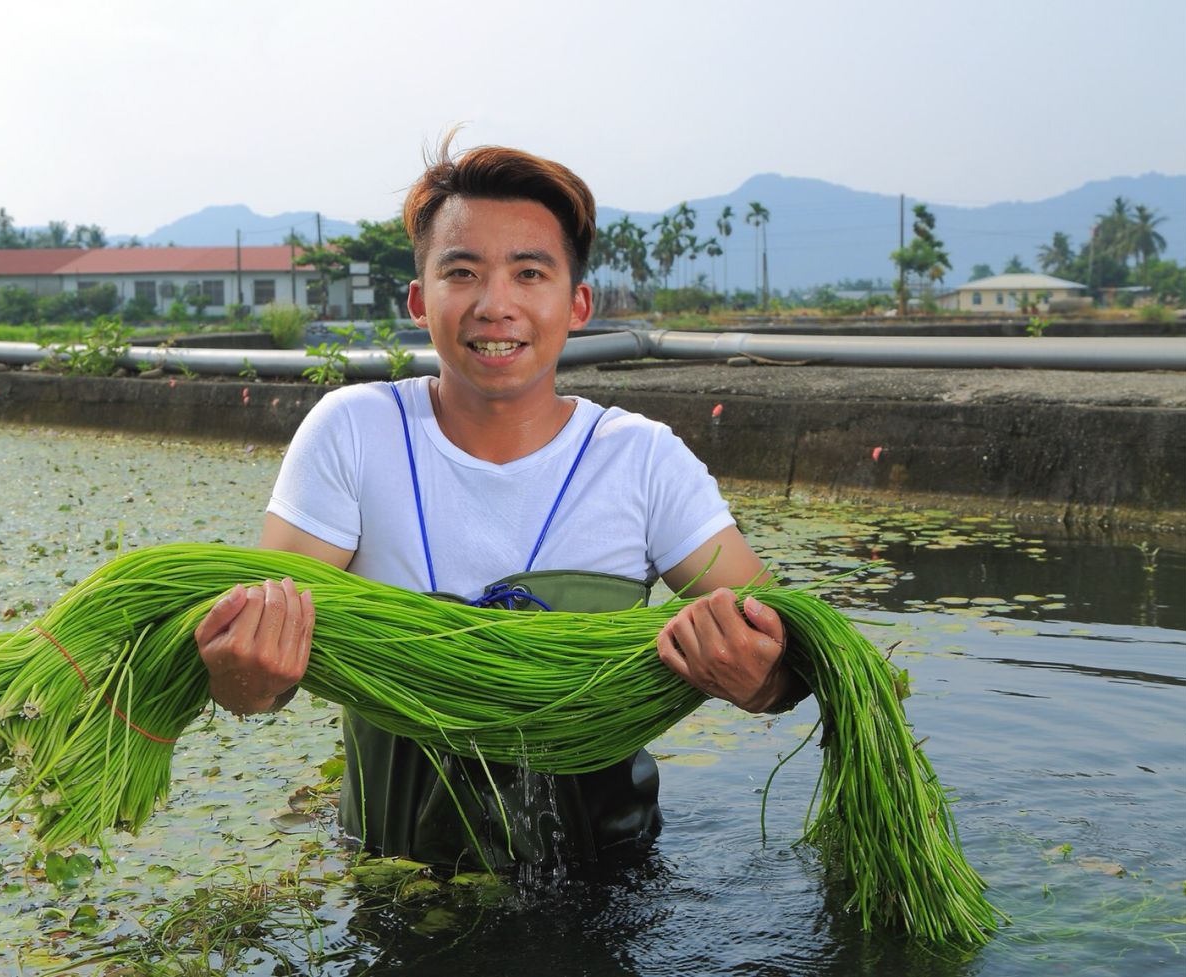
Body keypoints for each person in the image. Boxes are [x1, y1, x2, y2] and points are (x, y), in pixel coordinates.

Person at [195, 135, 807, 873]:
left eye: (529, 273)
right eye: (462, 273)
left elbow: (787, 656)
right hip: (394, 875)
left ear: (577, 304)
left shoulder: (641, 459)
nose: (495, 306)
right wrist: (243, 676)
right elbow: (259, 679)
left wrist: (759, 677)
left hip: (608, 878)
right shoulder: (354, 433)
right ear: (419, 299)